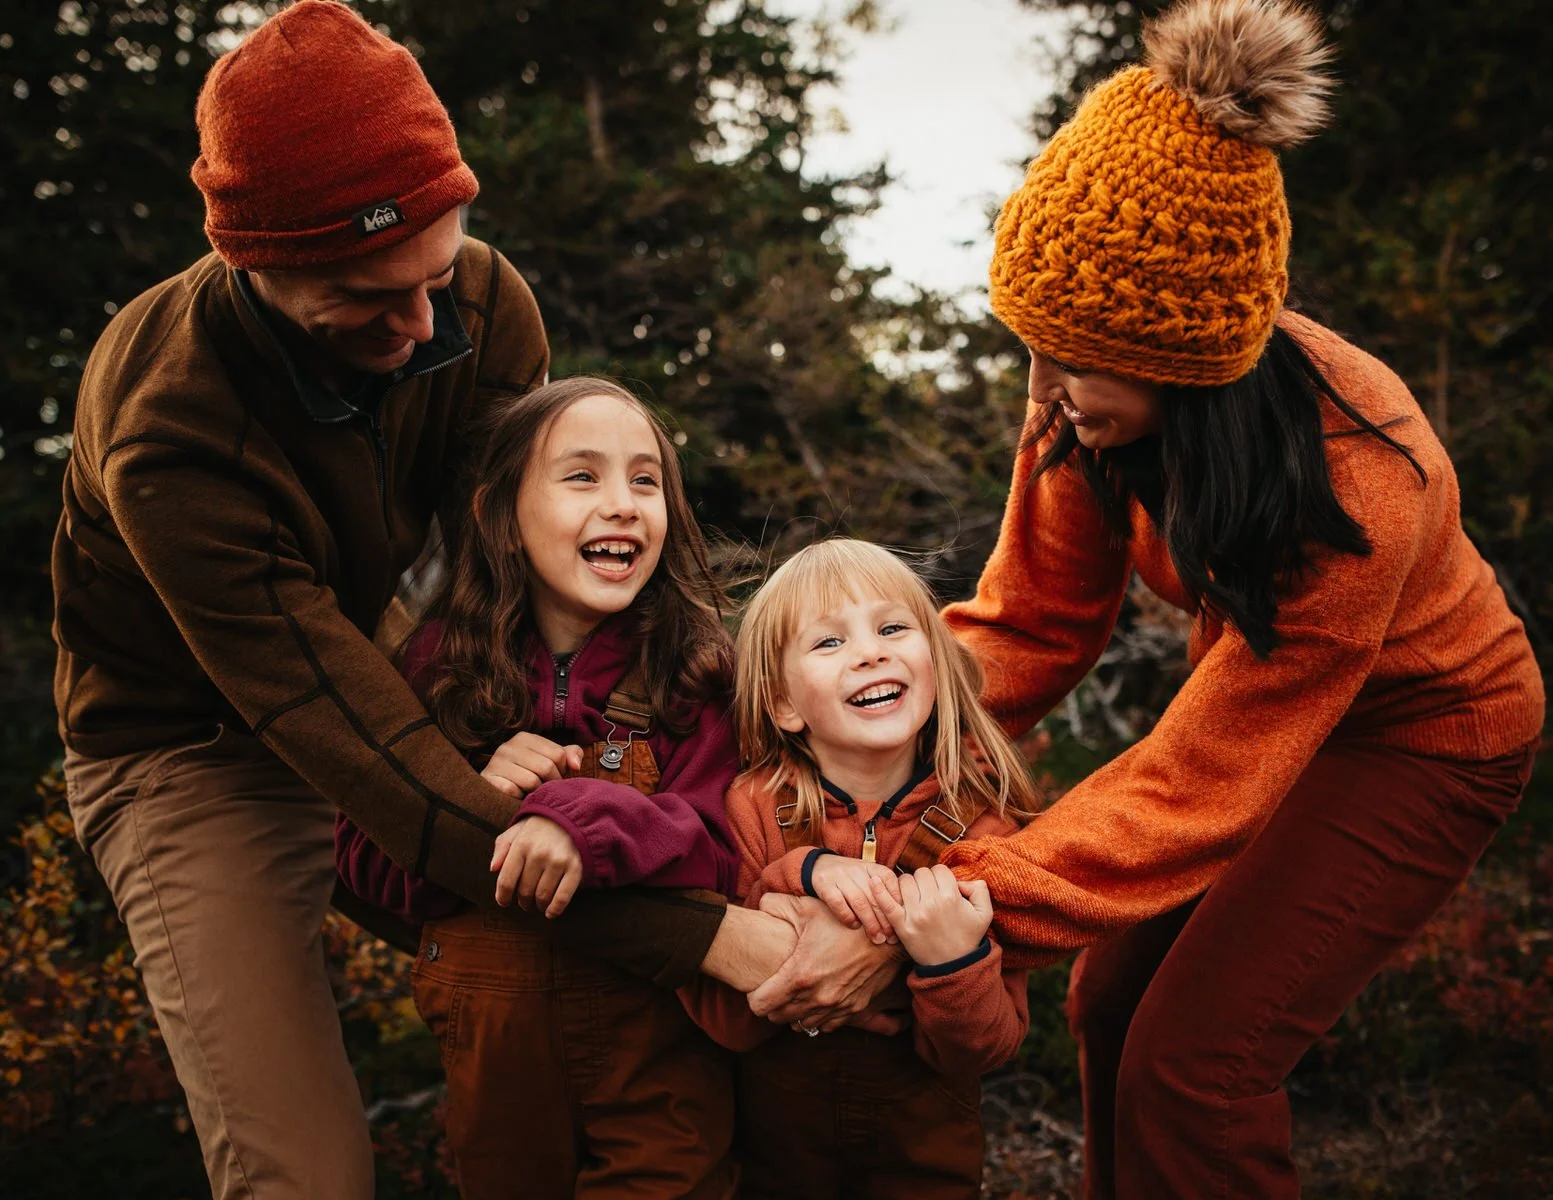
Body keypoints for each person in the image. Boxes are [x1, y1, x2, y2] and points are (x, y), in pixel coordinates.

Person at [51, 5, 794, 1196]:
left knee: (617, 1024)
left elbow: (517, 567)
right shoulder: (171, 434)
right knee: (307, 1173)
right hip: (198, 748)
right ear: (257, 266)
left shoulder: (485, 304)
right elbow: (349, 737)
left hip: (402, 679)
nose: (415, 326)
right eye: (365, 296)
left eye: (434, 278)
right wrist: (708, 936)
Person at [890, 0, 1542, 1196]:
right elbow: (1026, 625)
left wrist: (952, 909)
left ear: (1182, 363)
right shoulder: (1082, 417)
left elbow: (1206, 774)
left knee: (1195, 1066)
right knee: (1105, 1002)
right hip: (1256, 719)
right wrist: (847, 752)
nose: (1041, 388)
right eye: (1033, 344)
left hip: (1422, 737)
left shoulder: (1360, 476)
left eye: (1073, 359)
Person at [336, 378, 742, 1199]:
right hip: (495, 1083)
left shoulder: (696, 671)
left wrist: (578, 818)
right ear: (499, 516)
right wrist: (469, 801)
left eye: (645, 480)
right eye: (582, 476)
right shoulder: (435, 670)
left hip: (659, 1073)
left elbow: (720, 849)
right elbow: (362, 863)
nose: (622, 503)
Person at [683, 540, 1036, 1198]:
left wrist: (952, 962)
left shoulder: (984, 828)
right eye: (828, 642)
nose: (870, 653)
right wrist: (800, 873)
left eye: (892, 628)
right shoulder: (751, 808)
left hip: (923, 1168)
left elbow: (984, 1050)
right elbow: (722, 1020)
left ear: (934, 663)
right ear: (784, 704)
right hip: (773, 1166)